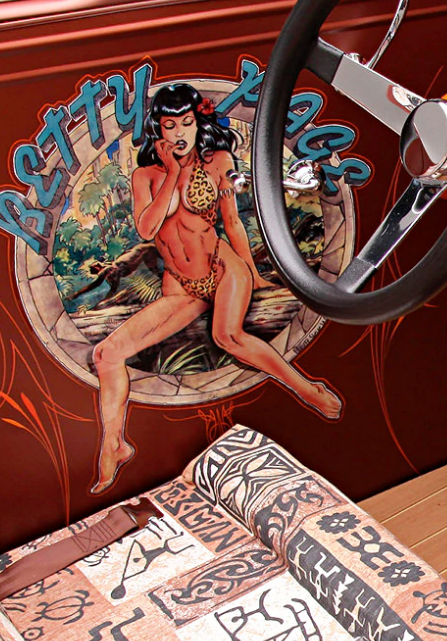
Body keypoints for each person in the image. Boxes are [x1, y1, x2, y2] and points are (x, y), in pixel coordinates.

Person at [89, 82, 342, 494]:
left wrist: (255, 274)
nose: (180, 133)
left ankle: (306, 389)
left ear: (198, 122)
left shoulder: (218, 162)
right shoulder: (145, 176)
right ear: (159, 130)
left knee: (228, 336)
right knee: (106, 354)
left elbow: (231, 219)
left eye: (187, 122)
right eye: (170, 125)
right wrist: (173, 173)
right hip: (180, 285)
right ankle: (114, 444)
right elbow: (147, 228)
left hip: (222, 267)